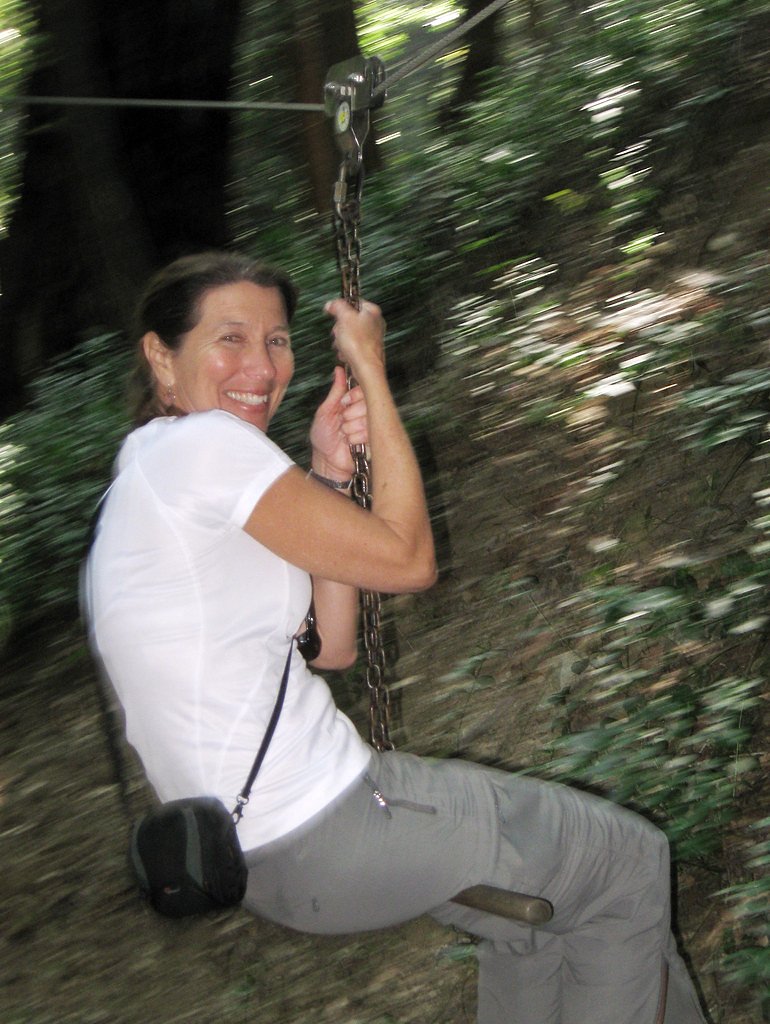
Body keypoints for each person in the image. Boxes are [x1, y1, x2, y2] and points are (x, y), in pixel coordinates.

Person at [84, 251, 707, 1024]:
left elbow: (332, 646)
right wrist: (373, 373)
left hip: (268, 858)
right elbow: (409, 560)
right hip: (331, 821)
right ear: (160, 357)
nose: (262, 366)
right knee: (625, 865)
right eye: (231, 339)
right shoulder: (202, 449)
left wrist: (328, 469)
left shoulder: (147, 478)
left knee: (532, 922)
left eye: (278, 341)